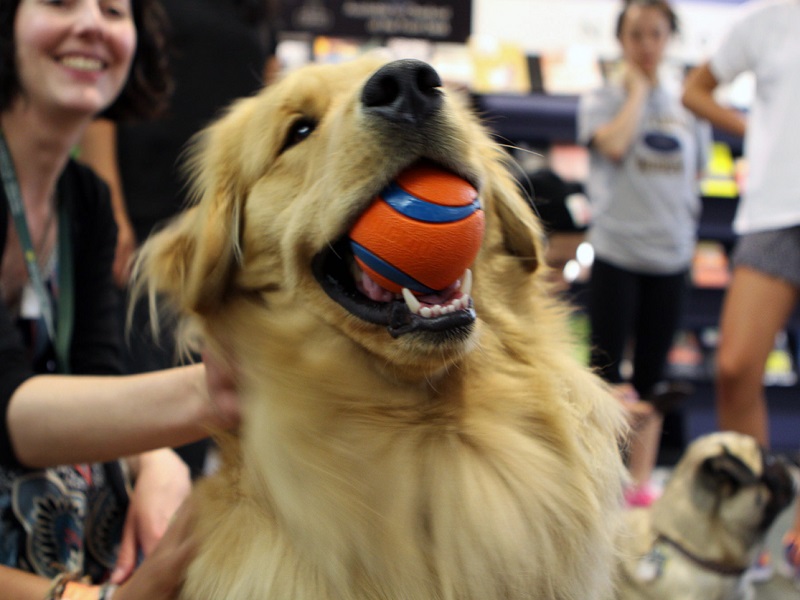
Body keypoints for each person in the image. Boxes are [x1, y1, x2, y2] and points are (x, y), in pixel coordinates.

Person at [0, 0, 239, 598]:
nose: (91, 24)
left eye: (113, 10)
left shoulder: (83, 199)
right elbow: (8, 414)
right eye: (60, 2)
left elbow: (93, 376)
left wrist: (155, 457)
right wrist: (222, 390)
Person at [79, 0, 279, 477]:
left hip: (216, 225)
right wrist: (111, 205)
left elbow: (269, 107)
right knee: (143, 379)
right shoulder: (137, 10)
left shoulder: (258, 10)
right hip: (145, 212)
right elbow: (105, 100)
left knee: (209, 397)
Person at [682, 0, 800, 580]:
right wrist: (761, 130)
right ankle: (750, 532)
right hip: (774, 215)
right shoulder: (767, 20)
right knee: (735, 367)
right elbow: (696, 91)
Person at [577, 0, 710, 506]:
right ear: (621, 40)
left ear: (668, 38)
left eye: (656, 34)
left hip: (670, 259)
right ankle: (598, 479)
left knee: (653, 378)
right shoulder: (602, 98)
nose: (647, 45)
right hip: (616, 253)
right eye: (636, 35)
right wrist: (636, 93)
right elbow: (612, 146)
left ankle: (638, 486)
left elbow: (694, 175)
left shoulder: (688, 109)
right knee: (605, 376)